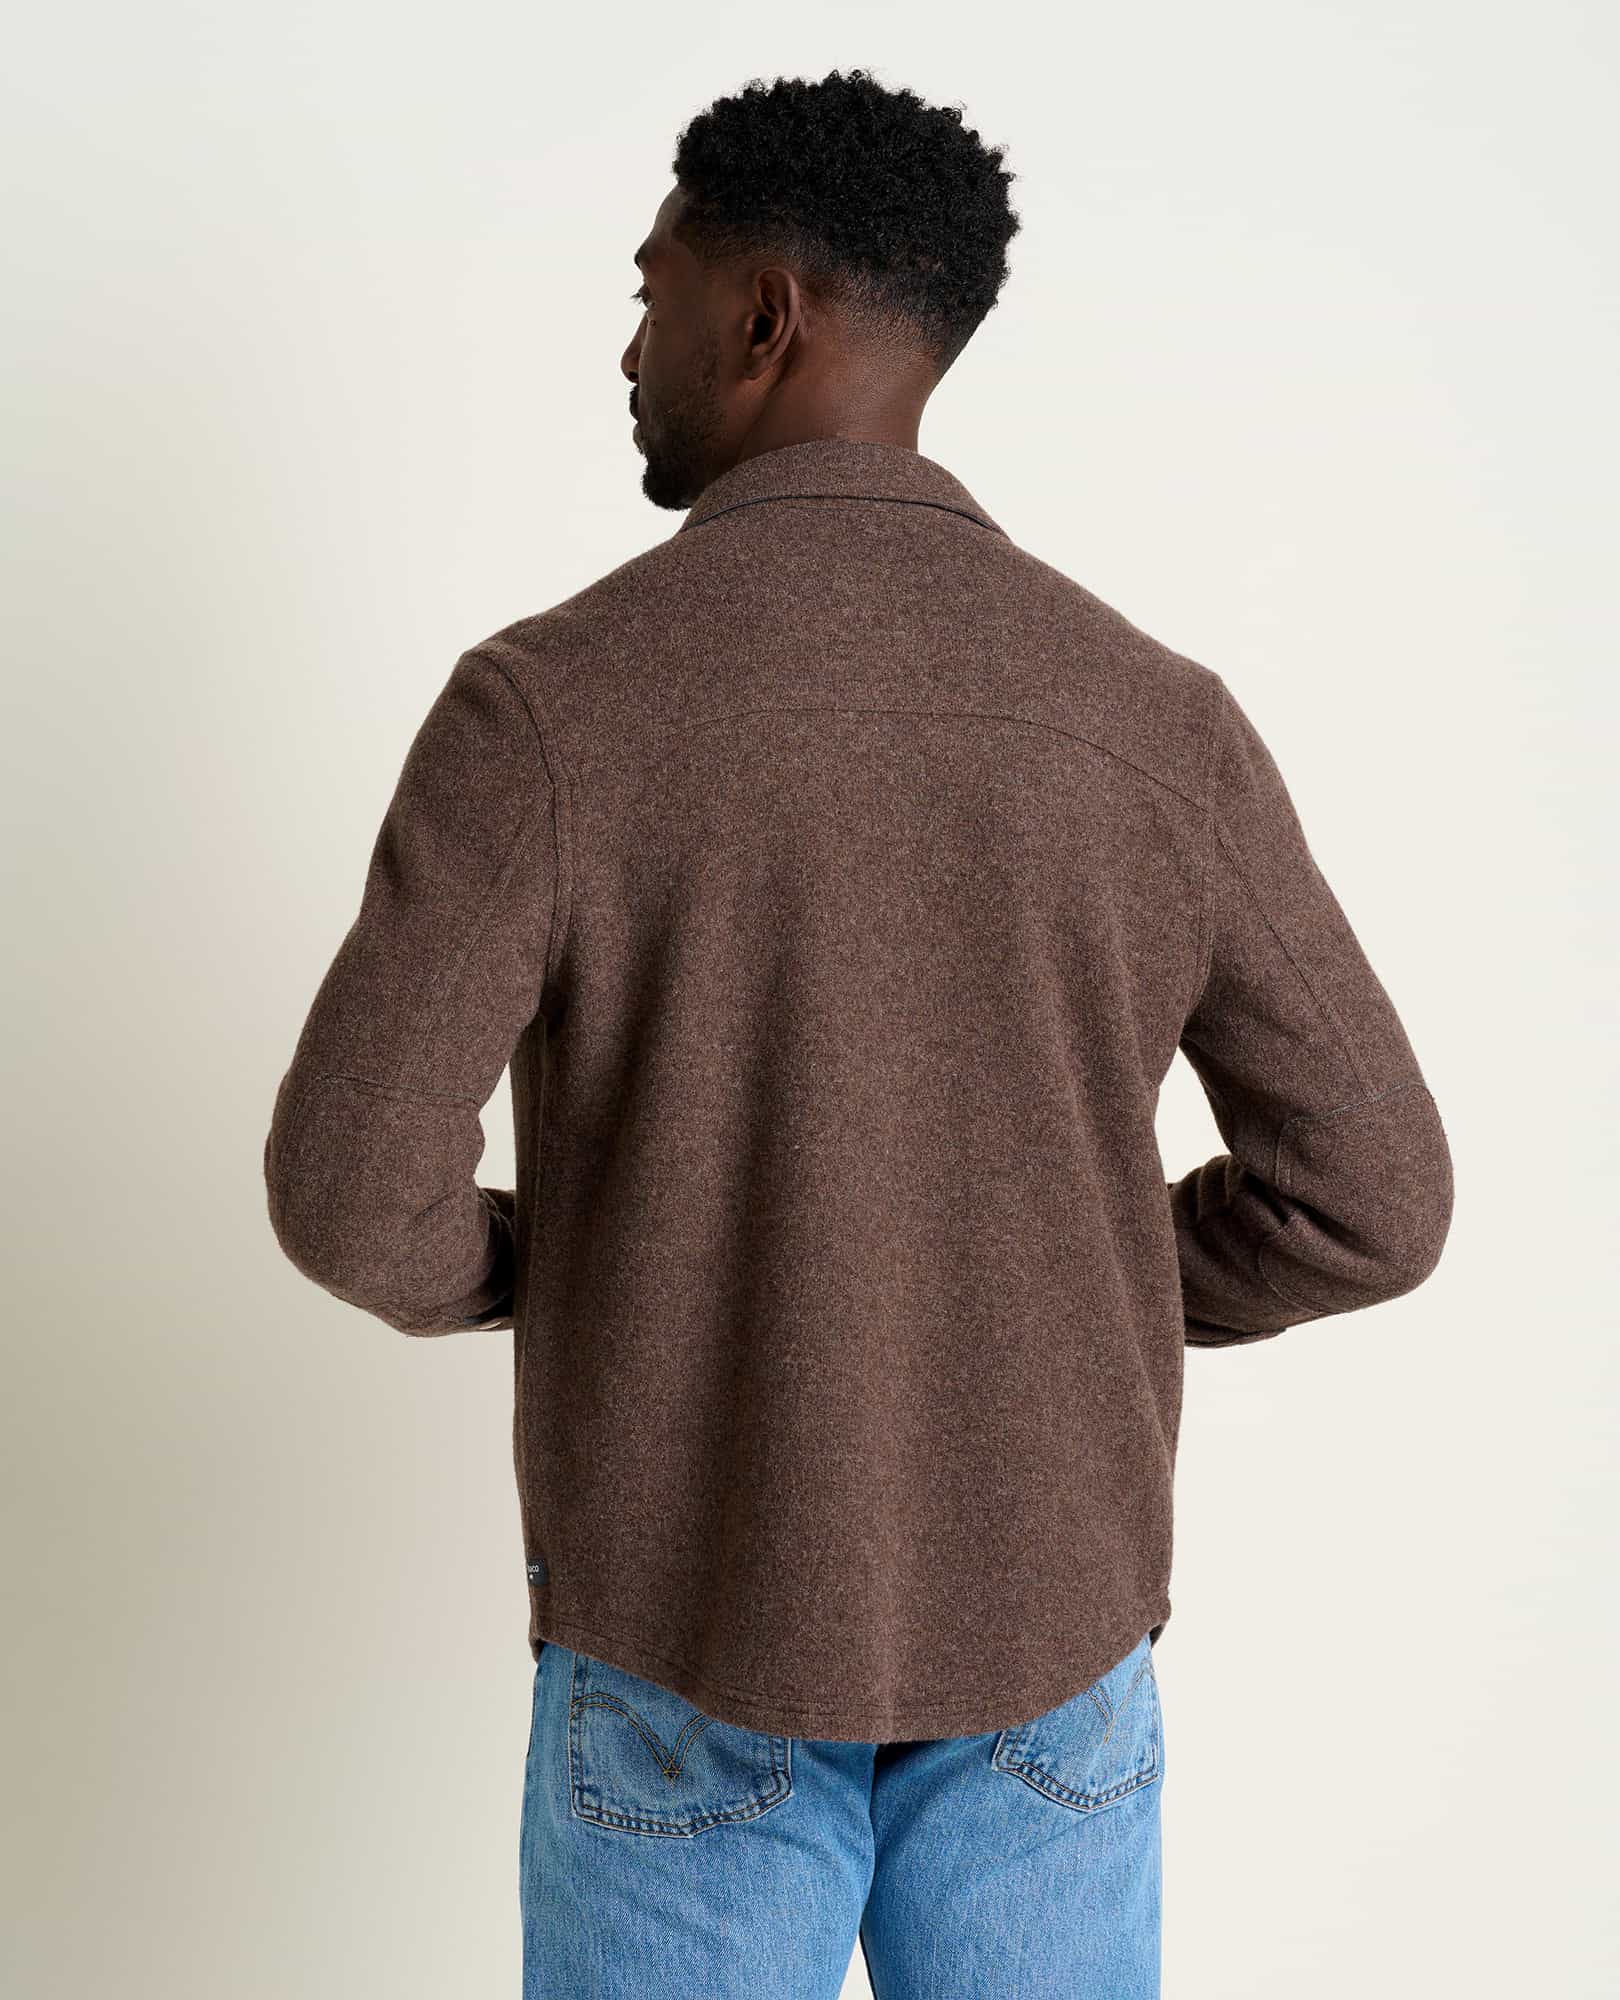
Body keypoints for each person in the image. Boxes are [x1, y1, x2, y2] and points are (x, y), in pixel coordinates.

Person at [263, 66, 1454, 2000]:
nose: (627, 345)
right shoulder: (1155, 720)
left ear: (765, 317)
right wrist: (1049, 1291)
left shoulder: (548, 710)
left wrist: (596, 1280)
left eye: (650, 291)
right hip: (1051, 1660)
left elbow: (346, 1193)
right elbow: (1377, 1198)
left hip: (682, 1646)